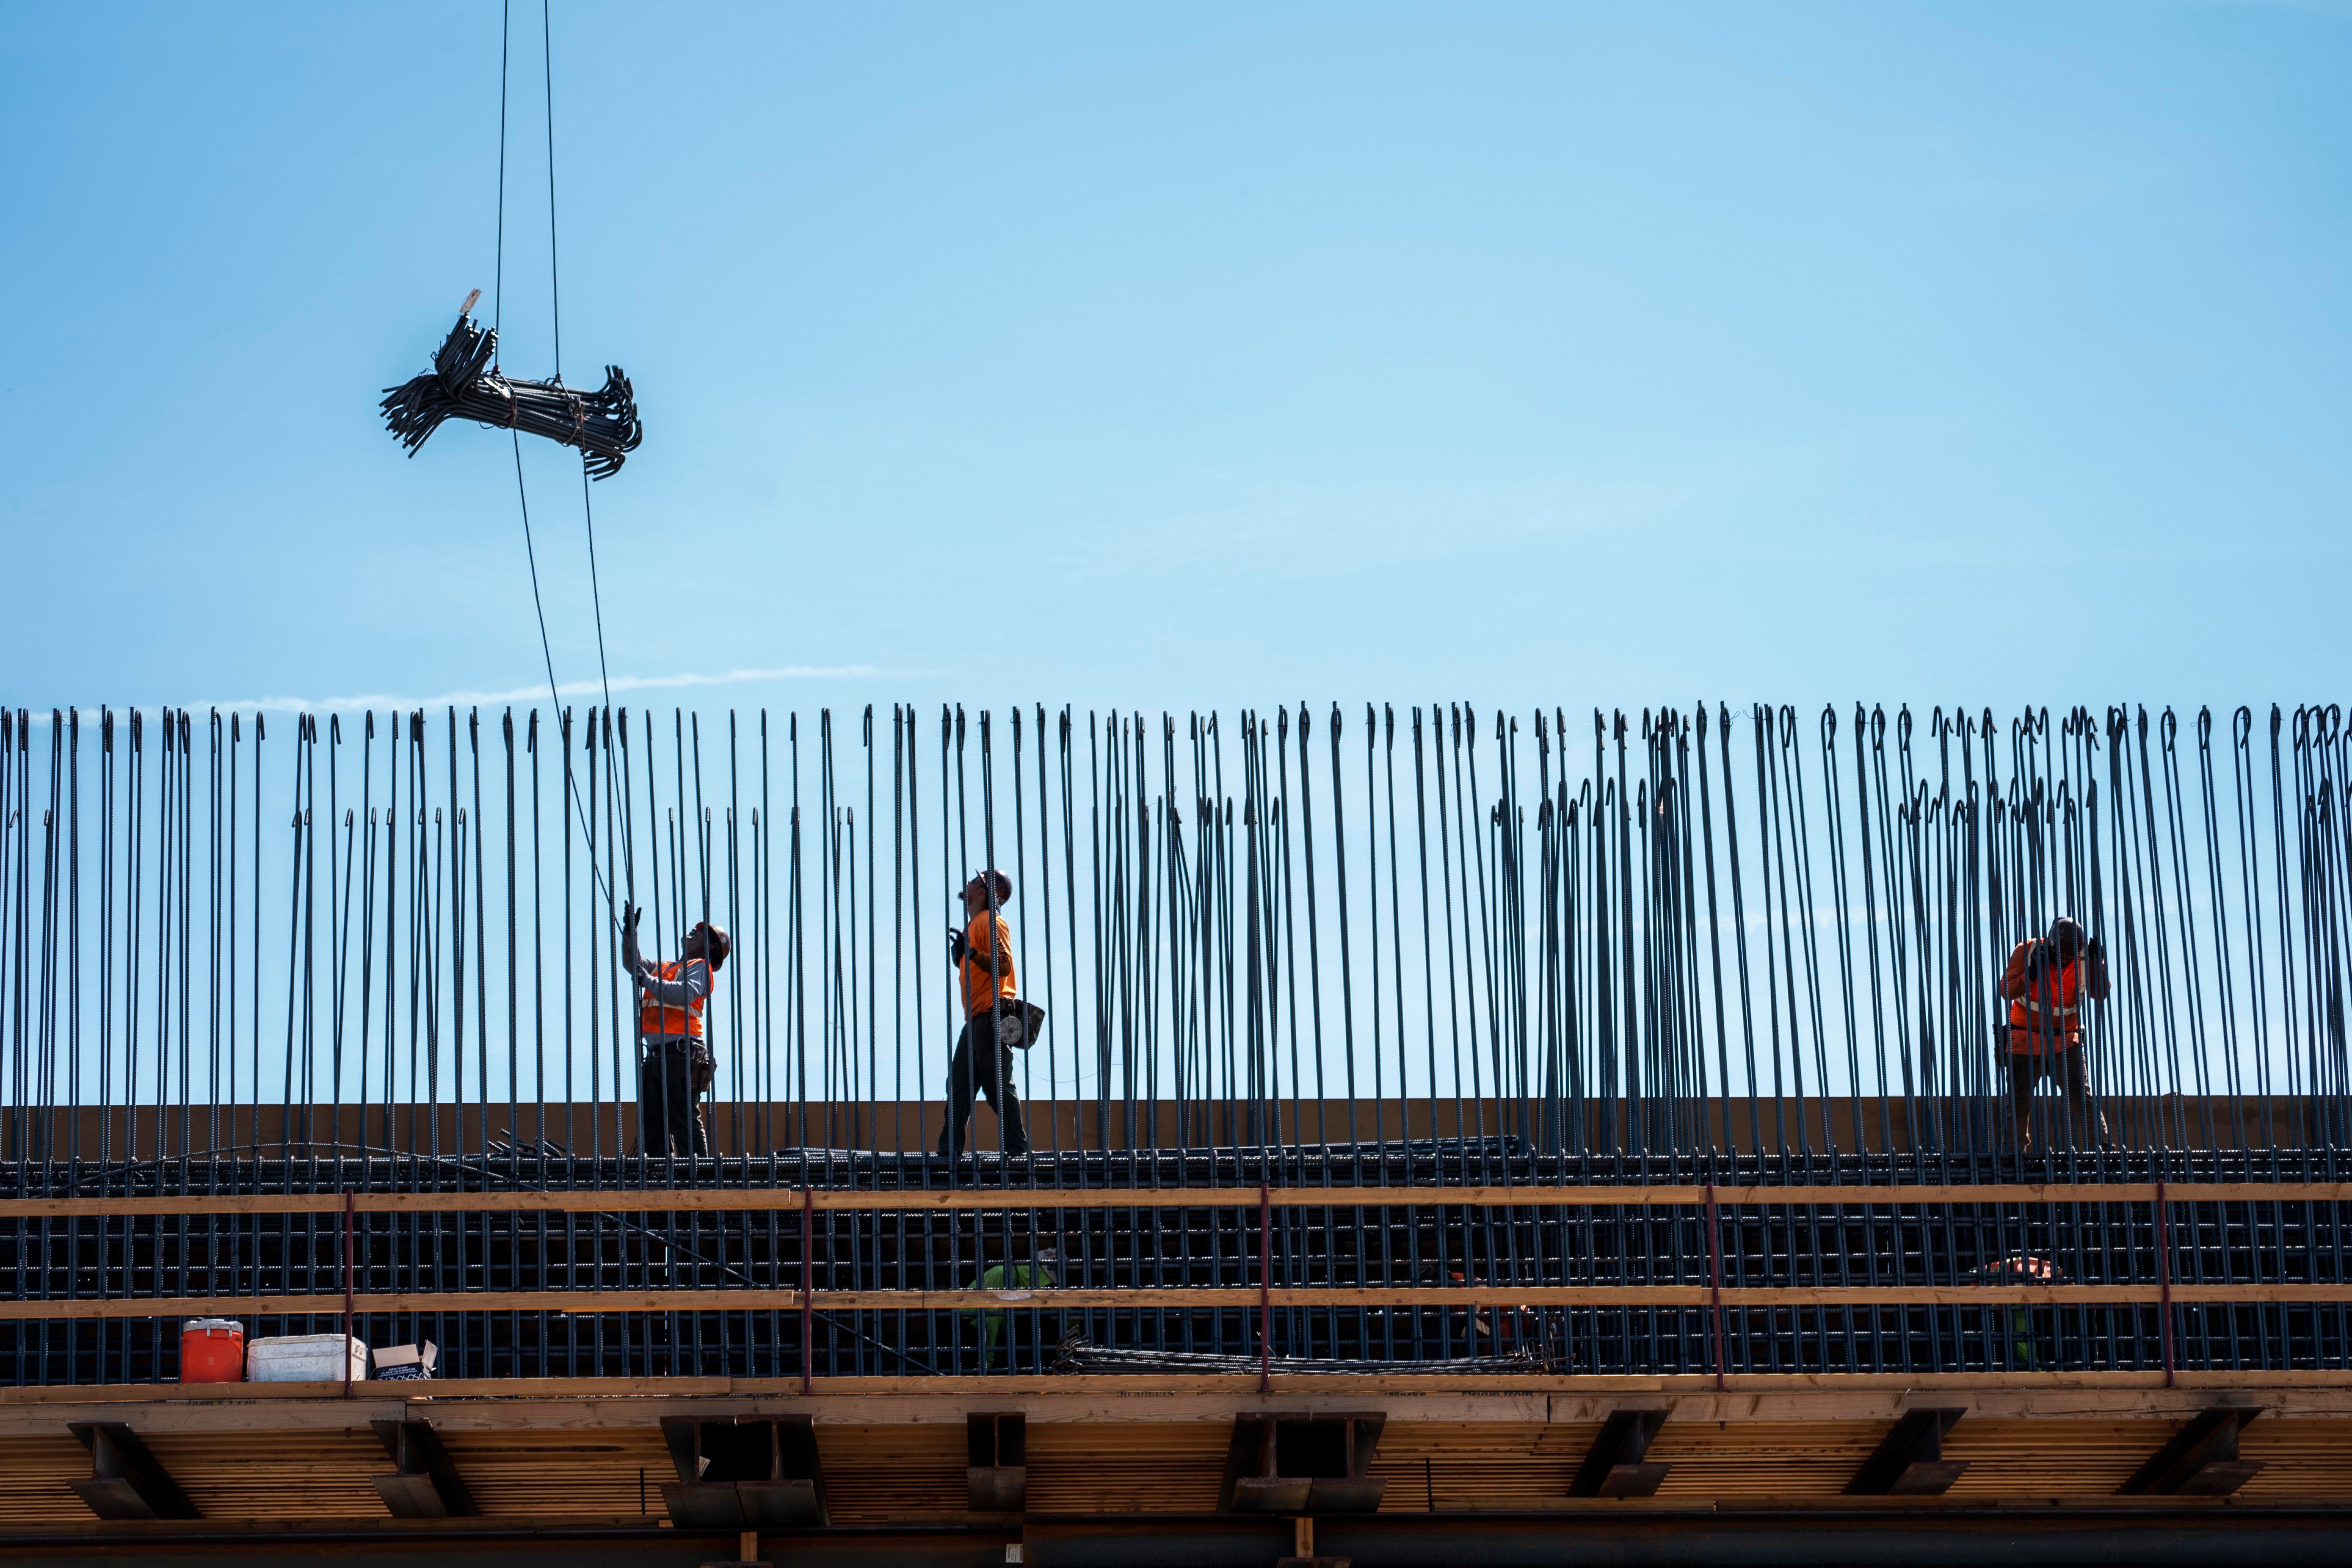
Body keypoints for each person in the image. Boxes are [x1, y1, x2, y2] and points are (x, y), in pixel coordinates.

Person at [937, 870, 1031, 1160]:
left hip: (991, 1017)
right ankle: (949, 1154)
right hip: (976, 1020)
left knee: (997, 1087)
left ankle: (1017, 1152)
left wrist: (972, 953)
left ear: (986, 893)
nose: (968, 882)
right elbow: (979, 968)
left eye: (975, 881)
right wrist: (962, 957)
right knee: (959, 1088)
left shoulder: (992, 923)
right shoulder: (973, 927)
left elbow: (1003, 966)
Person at [624, 903, 730, 1158]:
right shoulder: (665, 967)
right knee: (653, 1125)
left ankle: (700, 1178)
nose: (693, 932)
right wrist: (630, 934)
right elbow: (634, 964)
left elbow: (682, 994)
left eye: (701, 932)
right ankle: (662, 1179)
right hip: (658, 1057)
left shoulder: (699, 968)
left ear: (710, 948)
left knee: (683, 1120)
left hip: (682, 1054)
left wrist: (645, 980)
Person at [1999, 916, 2110, 1150]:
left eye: (2069, 958)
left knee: (2082, 1096)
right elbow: (2006, 991)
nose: (2065, 962)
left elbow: (2100, 994)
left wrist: (2097, 965)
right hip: (2025, 1041)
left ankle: (2101, 1147)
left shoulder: (2082, 960)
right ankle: (2015, 1155)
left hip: (2064, 1043)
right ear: (2049, 945)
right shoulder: (2027, 951)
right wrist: (2030, 974)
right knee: (2018, 1101)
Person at [963, 1246, 1060, 1367]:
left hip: (995, 1335)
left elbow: (1051, 1304)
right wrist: (987, 1363)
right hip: (969, 1330)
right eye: (1047, 1282)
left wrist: (1074, 1321)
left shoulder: (1023, 1284)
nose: (1047, 1286)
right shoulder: (1004, 1275)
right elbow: (990, 1322)